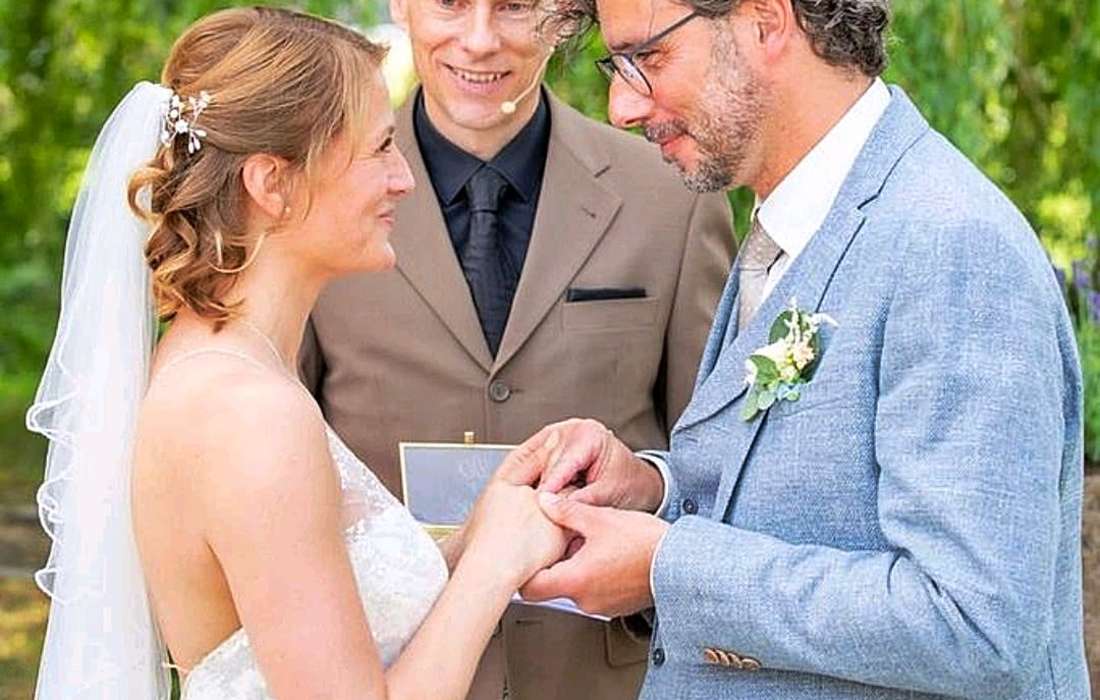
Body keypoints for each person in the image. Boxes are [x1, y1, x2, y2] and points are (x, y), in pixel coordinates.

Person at [508, 0, 1092, 698]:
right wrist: (653, 492)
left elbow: (974, 627)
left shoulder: (952, 243)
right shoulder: (796, 220)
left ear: (765, 20)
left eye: (648, 57)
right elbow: (805, 500)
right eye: (618, 66)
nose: (621, 107)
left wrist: (669, 567)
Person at [28, 7, 572, 699]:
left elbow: (318, 619)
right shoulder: (249, 413)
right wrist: (495, 566)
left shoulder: (226, 365)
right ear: (272, 184)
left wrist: (480, 531)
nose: (404, 179)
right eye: (379, 149)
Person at [298, 0, 734, 695]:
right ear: (402, 6)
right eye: (450, 3)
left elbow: (719, 467)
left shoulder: (669, 196)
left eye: (514, 7)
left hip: (606, 677)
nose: (478, 40)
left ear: (563, 15)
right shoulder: (315, 197)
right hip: (385, 669)